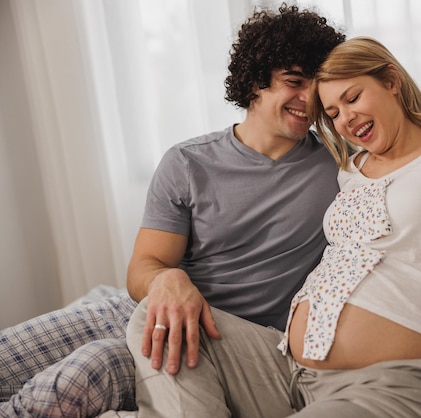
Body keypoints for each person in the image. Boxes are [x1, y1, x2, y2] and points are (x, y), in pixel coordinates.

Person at [127, 36, 421, 417]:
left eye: (353, 98)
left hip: (401, 384)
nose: (344, 119)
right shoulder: (345, 169)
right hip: (289, 373)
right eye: (331, 112)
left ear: (391, 80)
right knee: (153, 317)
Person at [0, 4, 344, 417]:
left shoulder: (340, 171)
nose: (308, 99)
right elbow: (144, 267)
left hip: (211, 345)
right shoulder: (187, 163)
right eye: (294, 82)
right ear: (255, 82)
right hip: (141, 310)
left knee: (75, 380)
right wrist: (168, 279)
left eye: (317, 85)